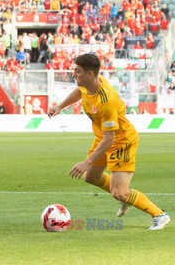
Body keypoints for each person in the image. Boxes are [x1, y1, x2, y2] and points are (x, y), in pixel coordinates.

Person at [48, 53, 170, 230]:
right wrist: (60, 106)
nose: (73, 74)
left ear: (90, 73)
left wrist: (86, 162)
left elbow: (110, 138)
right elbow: (79, 92)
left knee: (118, 192)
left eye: (77, 71)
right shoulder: (88, 85)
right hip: (103, 139)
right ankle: (125, 196)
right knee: (91, 177)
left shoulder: (106, 100)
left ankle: (159, 214)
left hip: (121, 142)